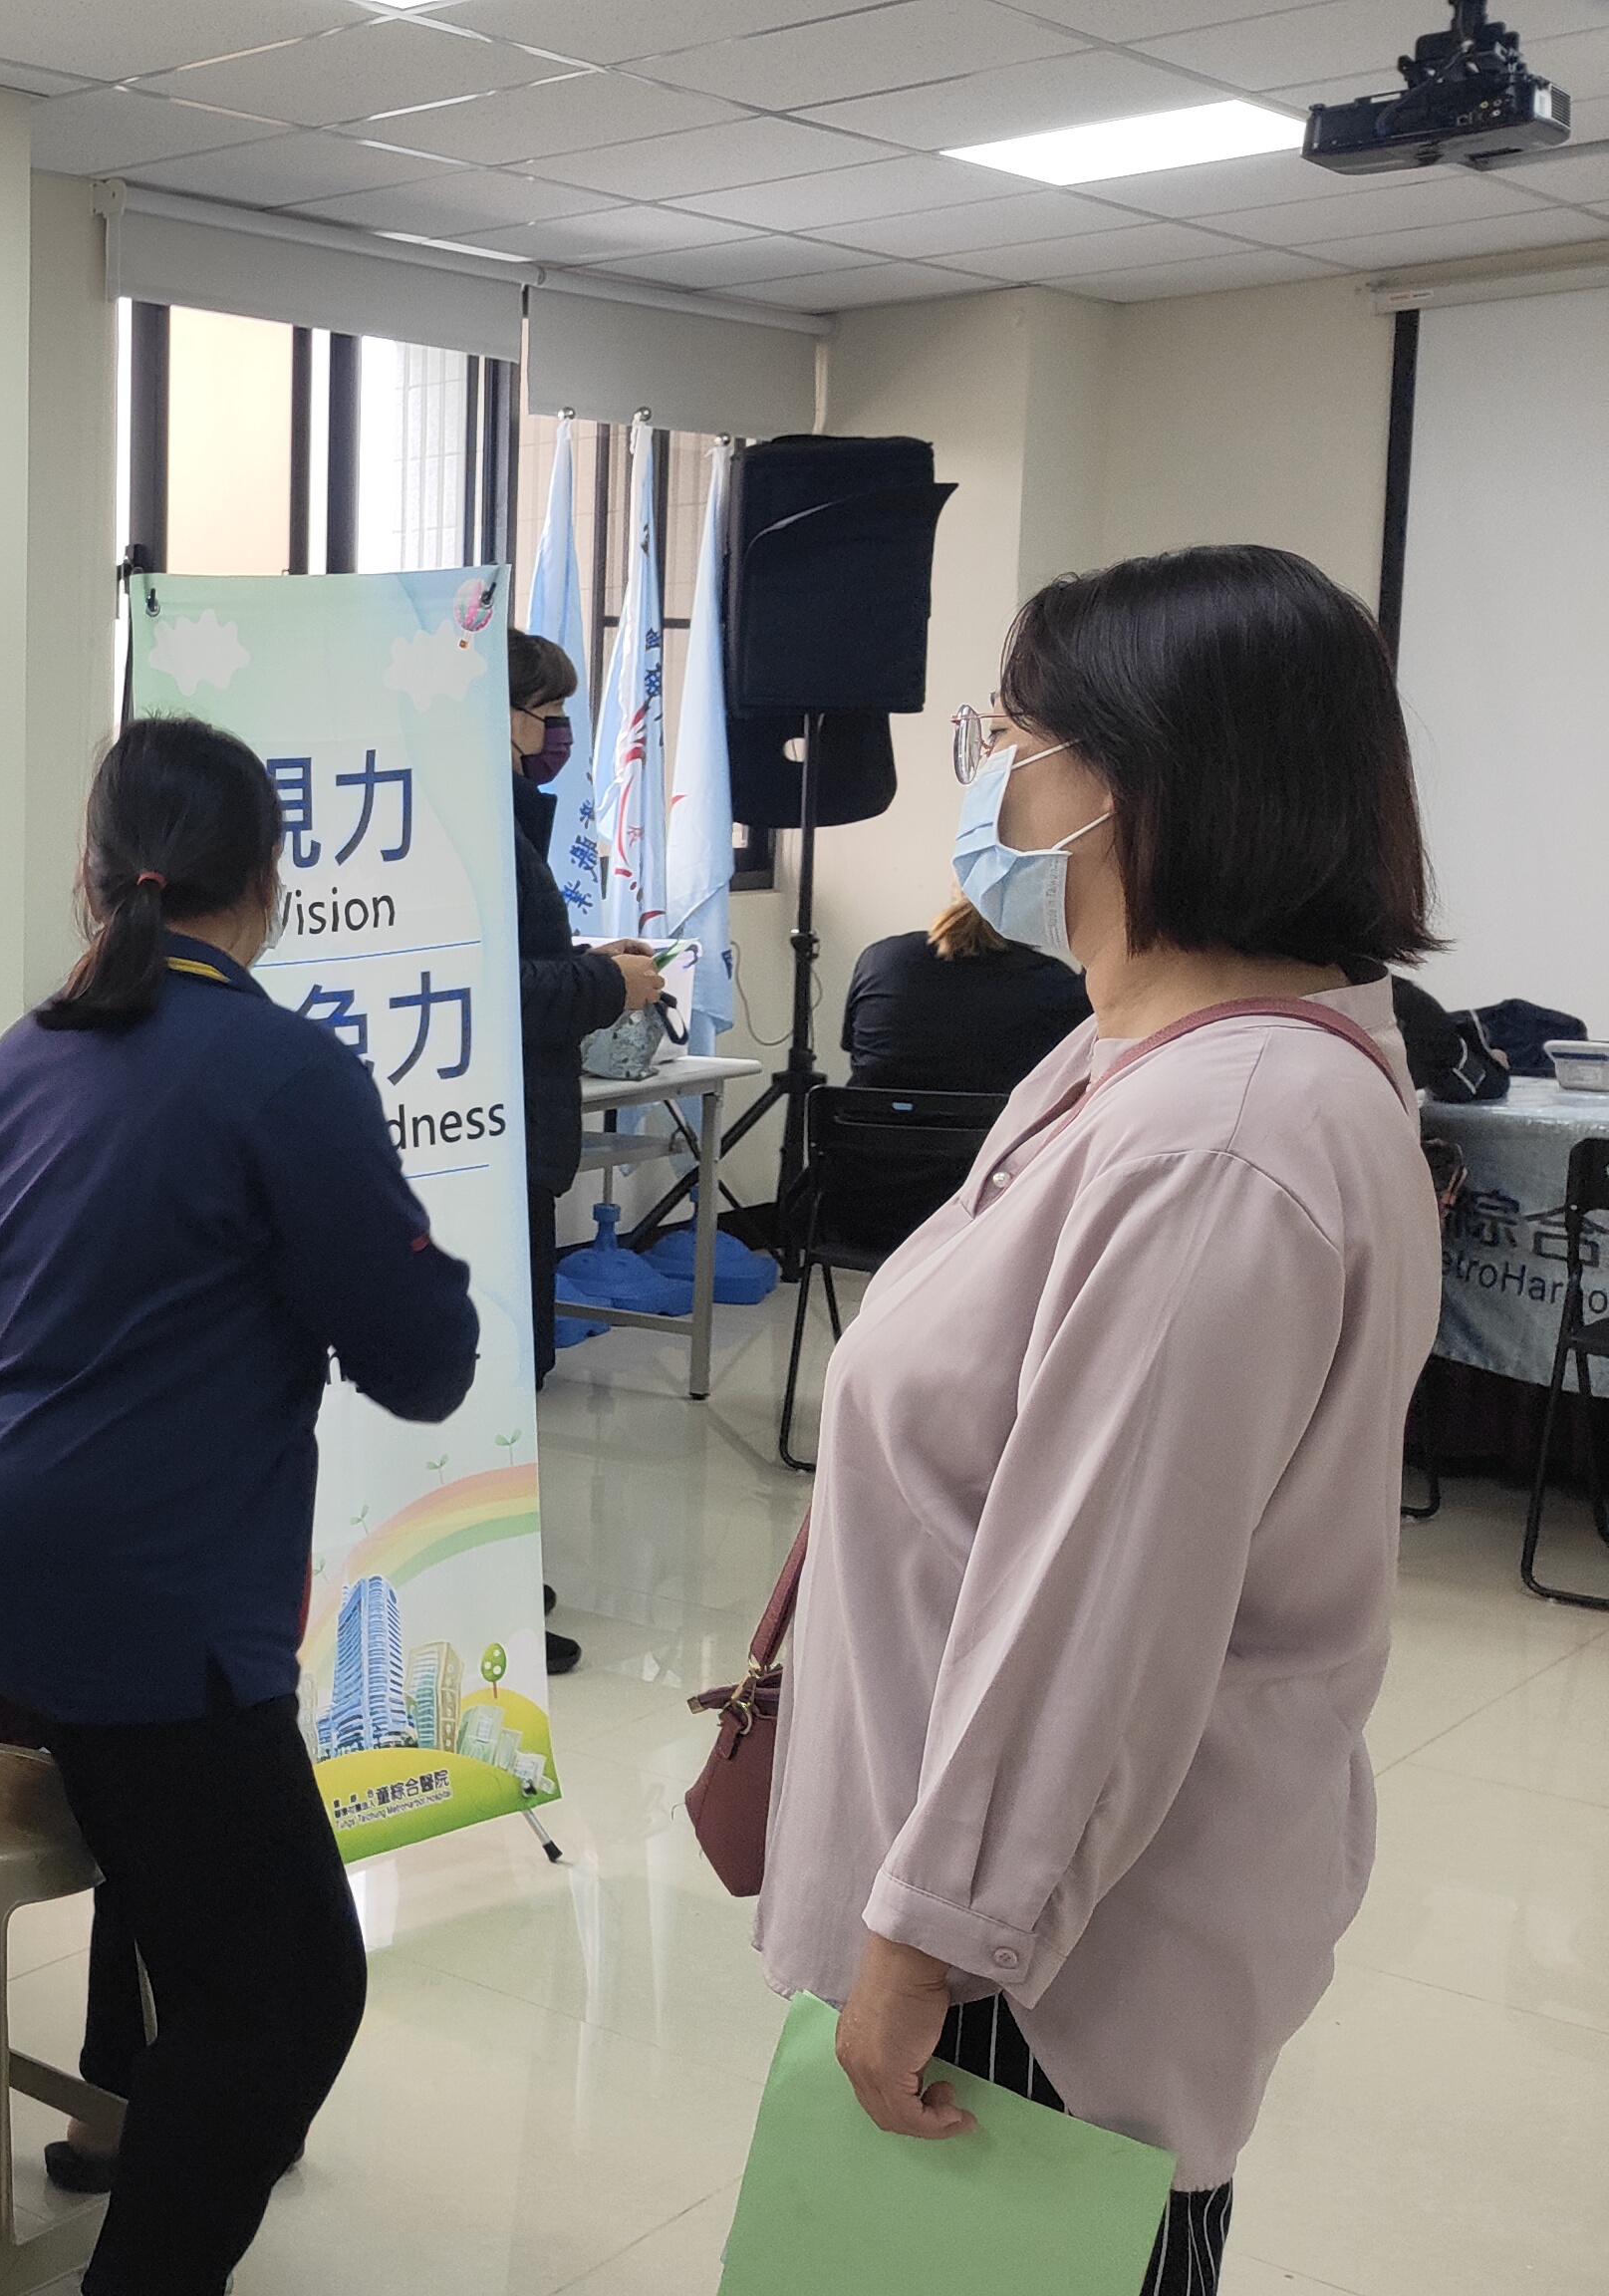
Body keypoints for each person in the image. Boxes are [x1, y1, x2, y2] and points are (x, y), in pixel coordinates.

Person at [757, 545, 1443, 2296]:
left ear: (1139, 779)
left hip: (1041, 1977)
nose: (987, 775)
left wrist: (933, 1940)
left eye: (1009, 735)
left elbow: (1099, 1606)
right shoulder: (1130, 1058)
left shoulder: (1224, 1137)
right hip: (1007, 1910)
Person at [0, 717, 480, 2293]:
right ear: (270, 883)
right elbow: (423, 1363)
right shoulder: (284, 1074)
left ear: (91, 875)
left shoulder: (15, 1059)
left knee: (172, 1845)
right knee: (291, 1993)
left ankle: (123, 2109)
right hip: (147, 1599)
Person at [508, 635, 665, 1674]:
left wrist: (585, 961)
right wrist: (609, 988)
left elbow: (519, 959)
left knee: (520, 1377)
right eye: (543, 710)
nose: (558, 732)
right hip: (489, 1147)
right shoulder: (470, 817)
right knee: (499, 1387)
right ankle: (491, 1598)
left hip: (513, 1147)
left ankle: (506, 1579)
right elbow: (491, 991)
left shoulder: (505, 813)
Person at [840, 892, 1090, 1094]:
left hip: (863, 1134)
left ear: (957, 889)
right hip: (992, 1141)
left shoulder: (881, 958)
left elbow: (857, 1049)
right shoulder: (1055, 981)